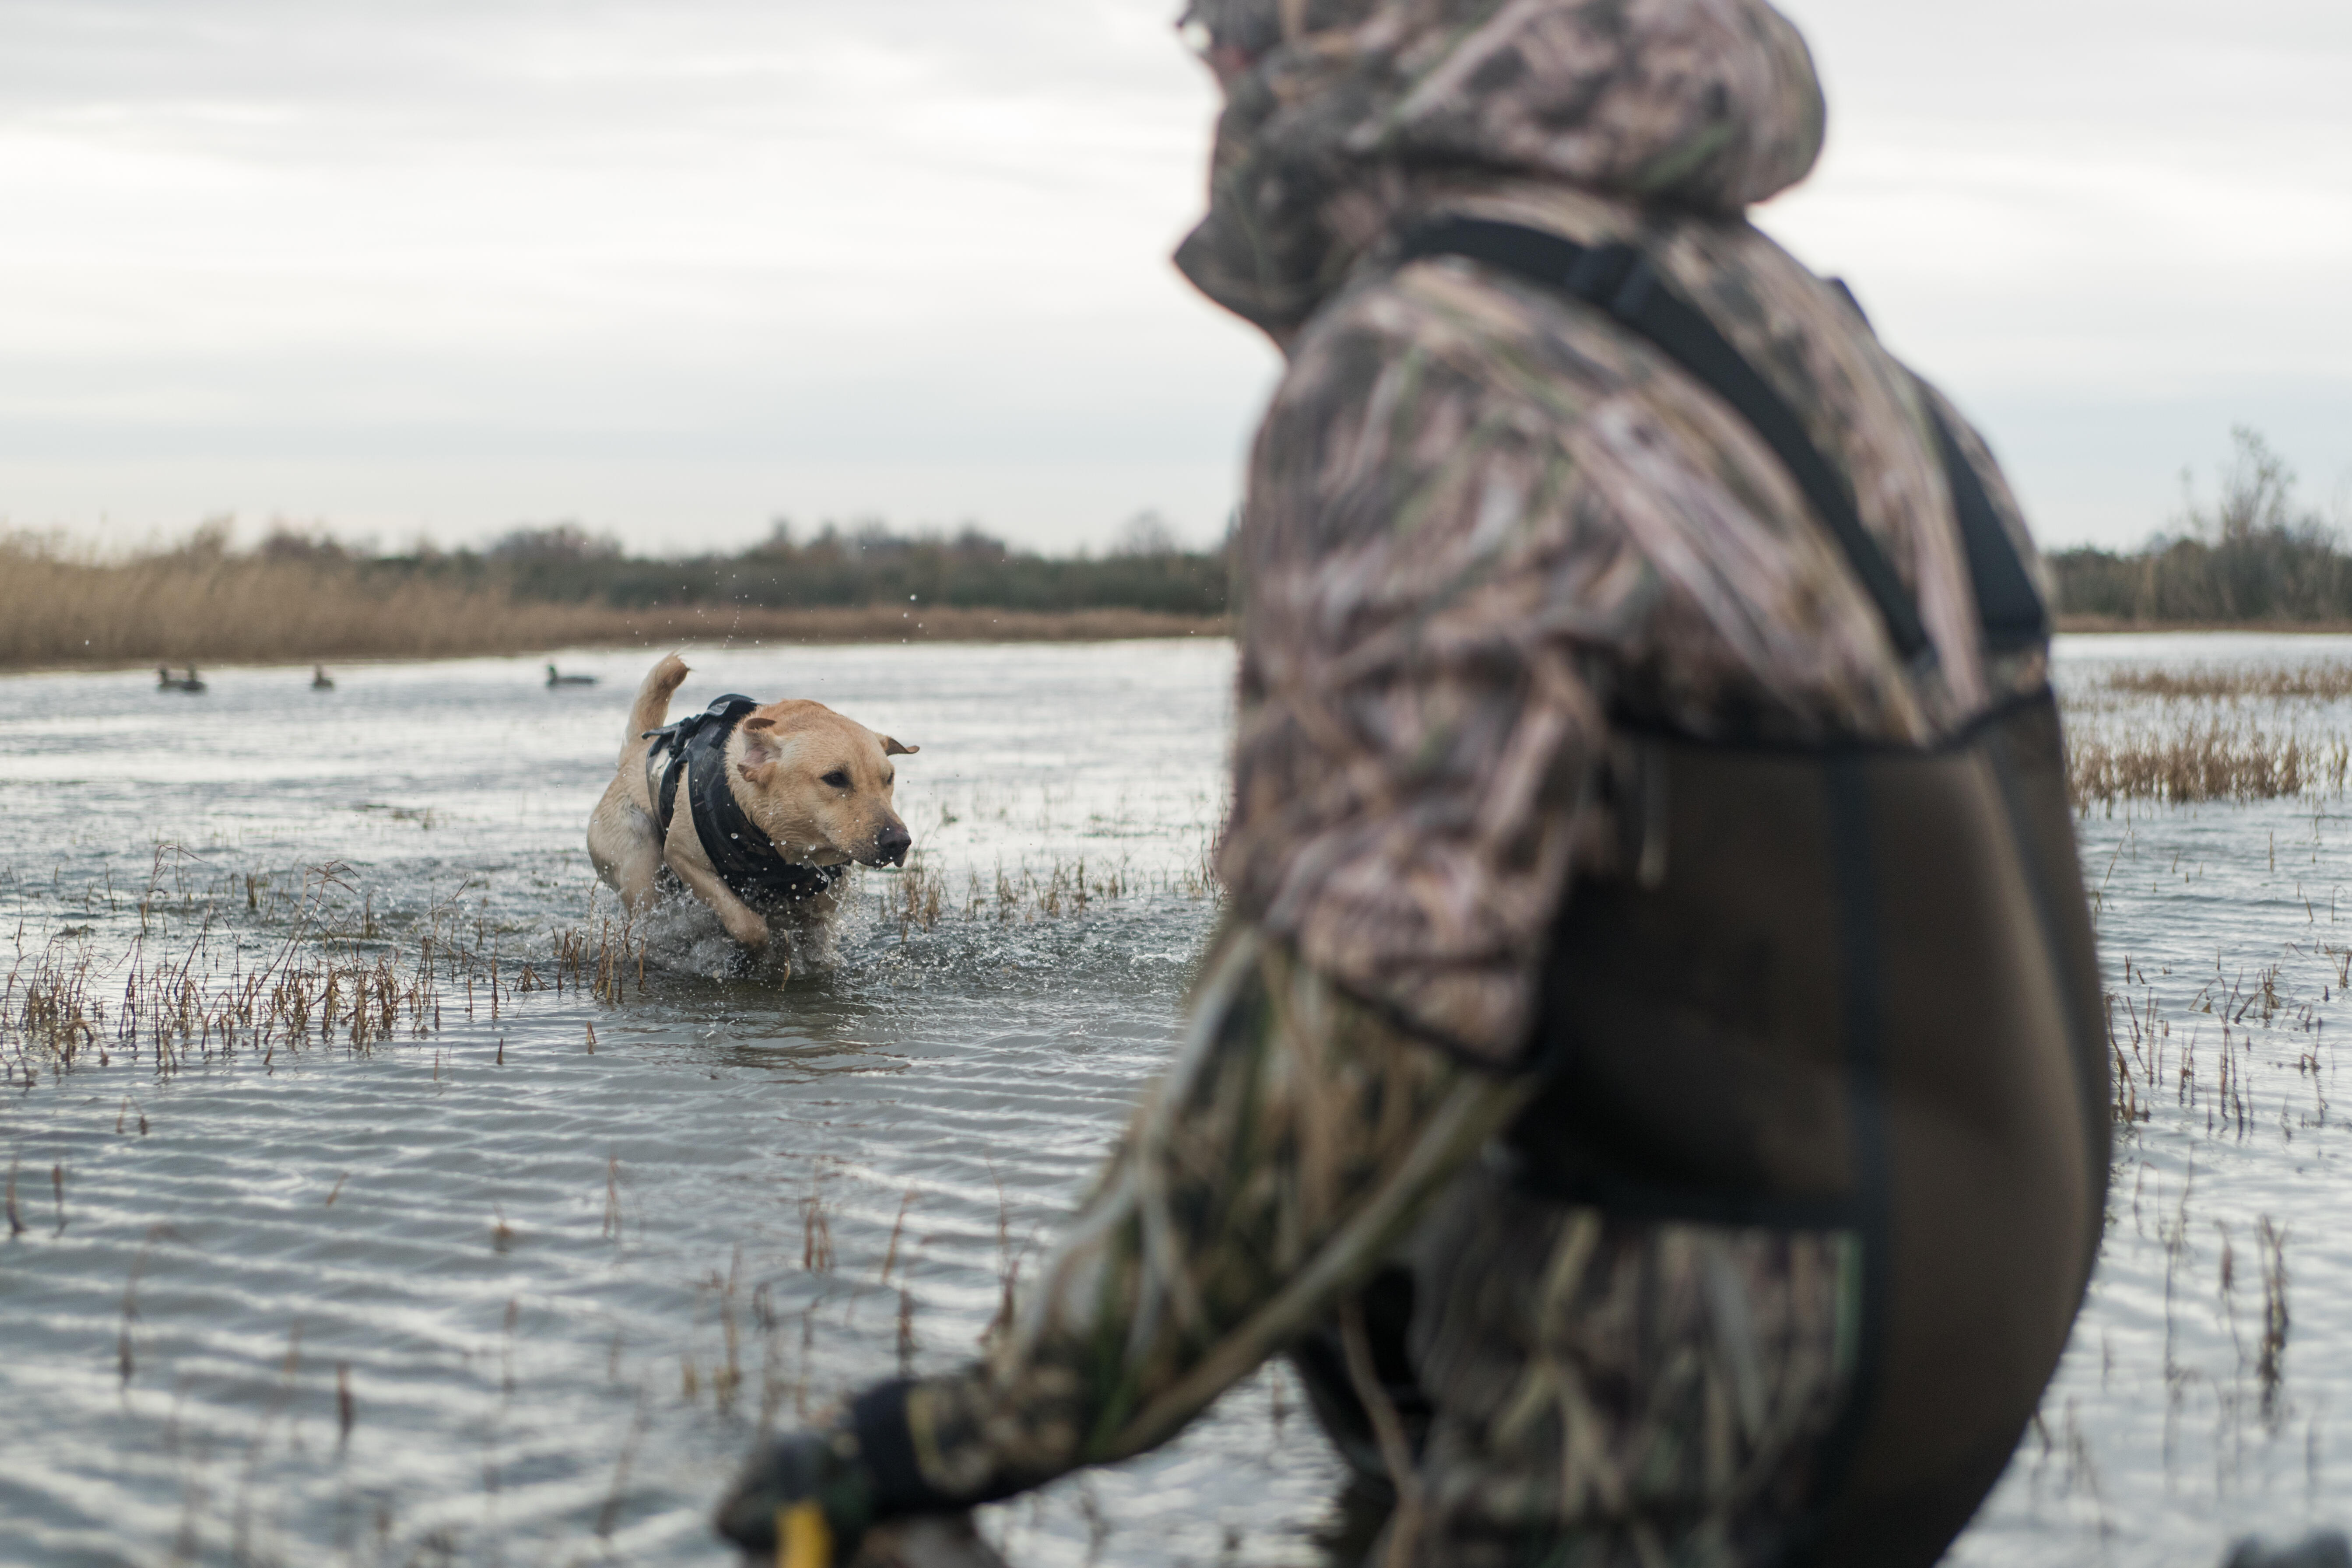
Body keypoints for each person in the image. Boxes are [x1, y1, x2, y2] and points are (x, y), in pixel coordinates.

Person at [716, 0, 2109, 1562]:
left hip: (1711, 1376)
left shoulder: (1428, 373)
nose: (1215, 64)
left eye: (1228, 27)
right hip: (1971, 1332)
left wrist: (974, 1432)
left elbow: (1354, 1034)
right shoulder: (1809, 337)